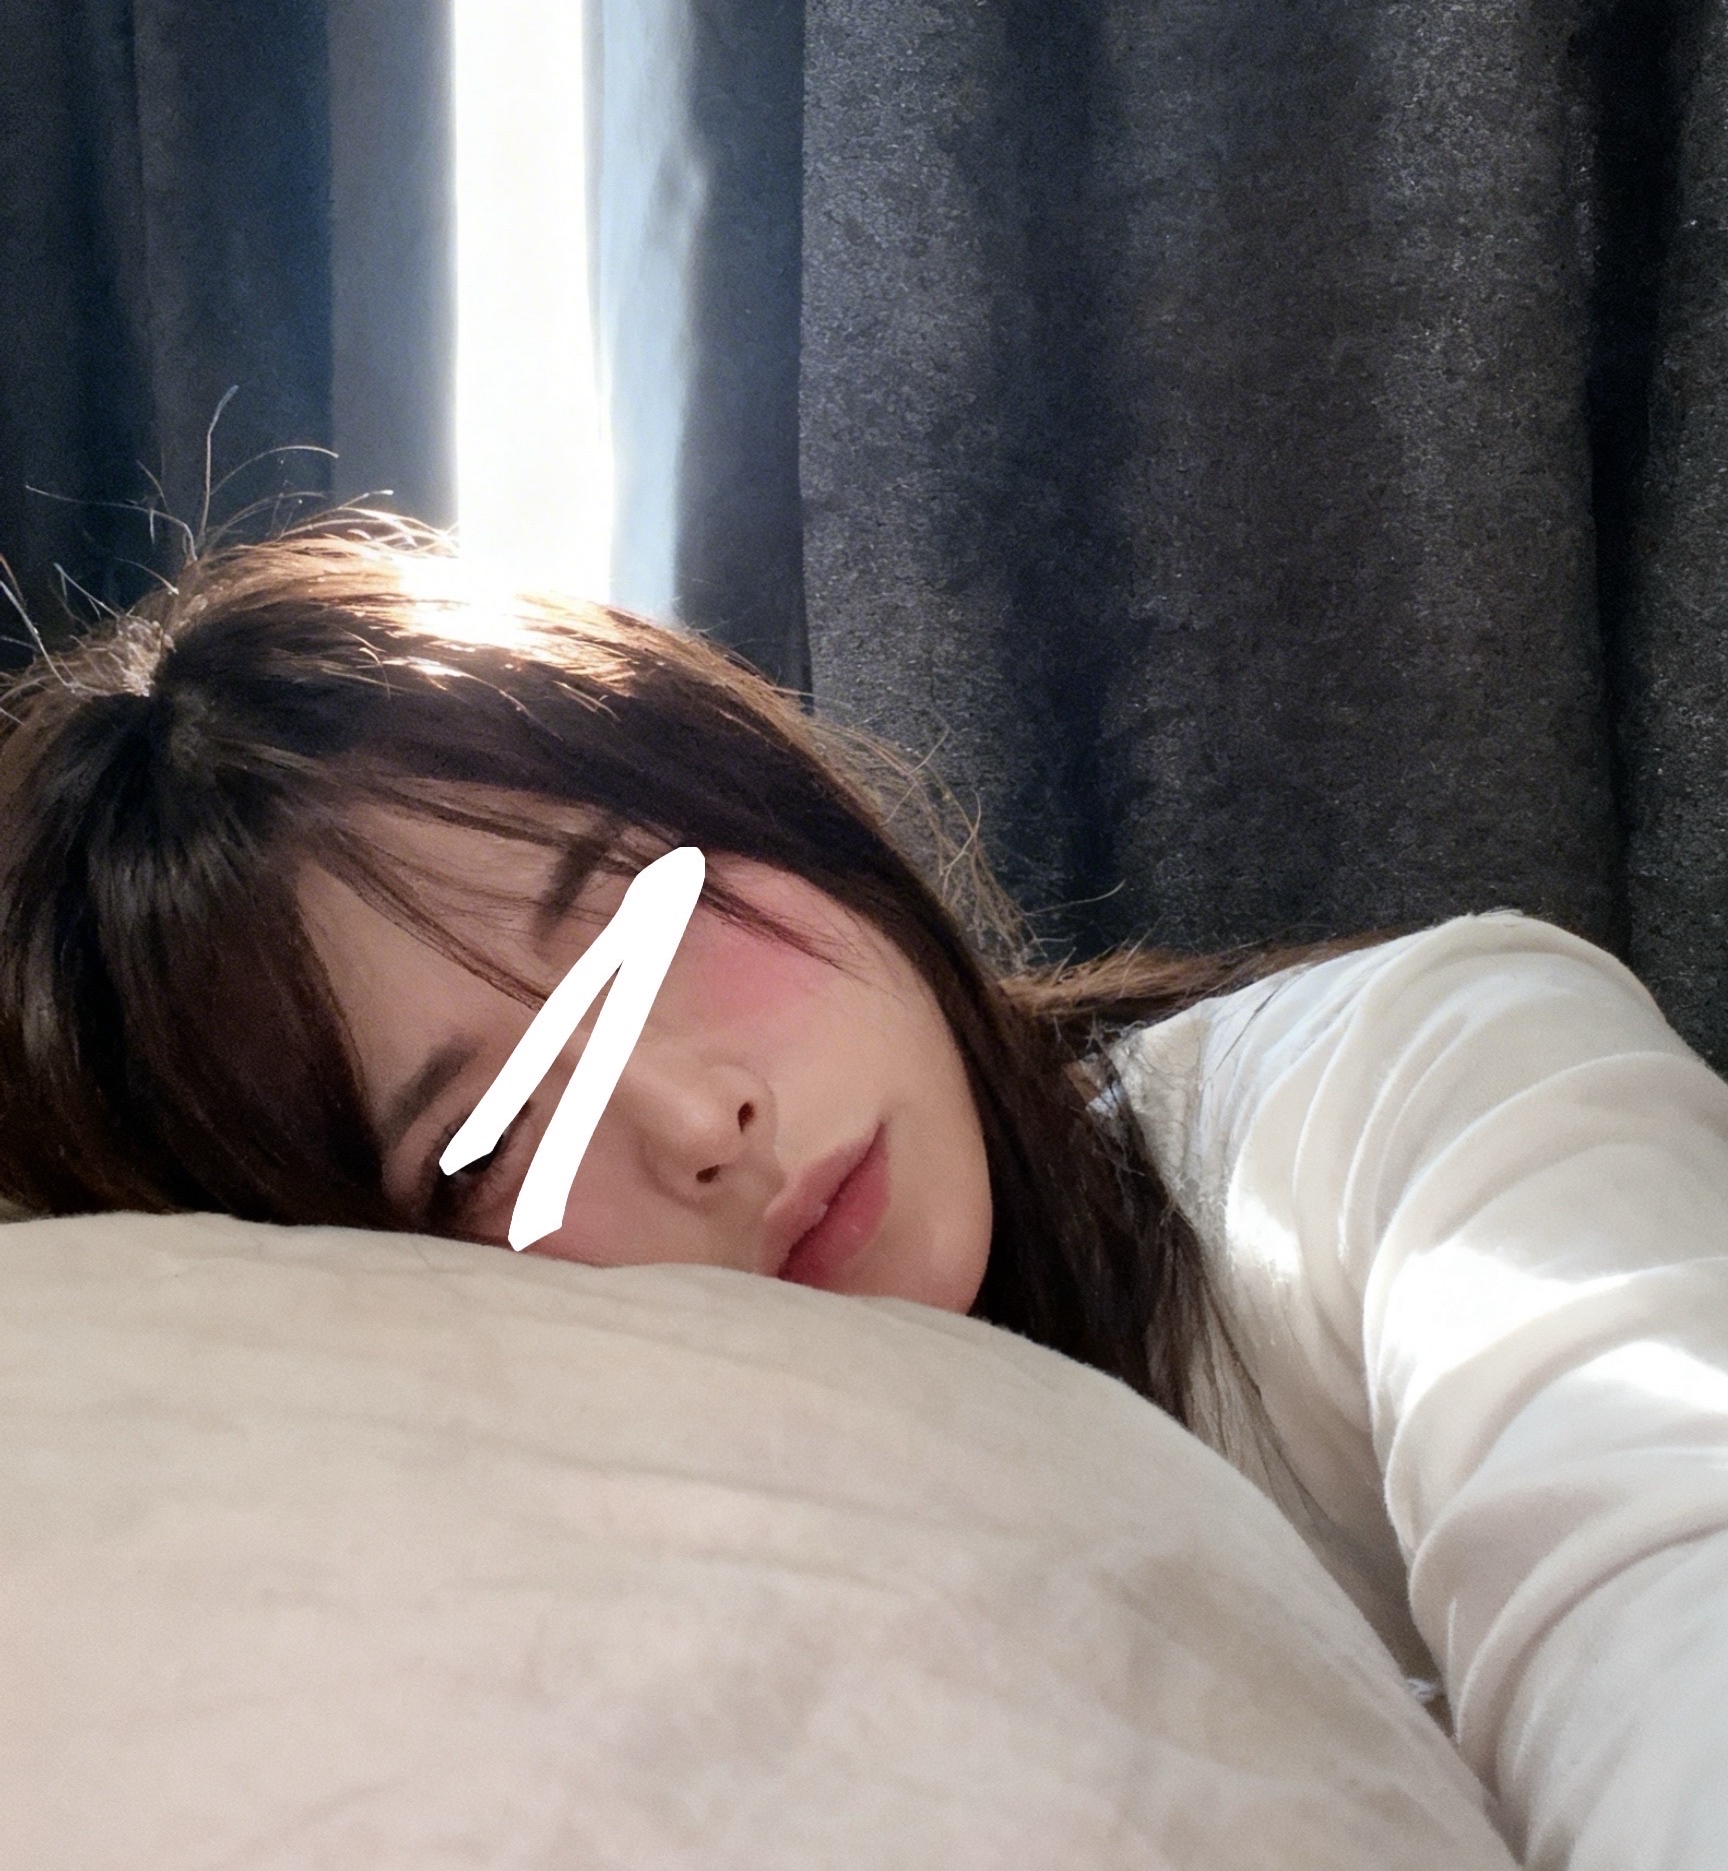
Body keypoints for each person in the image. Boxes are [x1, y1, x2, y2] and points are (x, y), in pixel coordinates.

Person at [1, 512, 1724, 1871]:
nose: (700, 1117)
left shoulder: (1406, 1090)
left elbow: (1663, 1562)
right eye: (495, 1144)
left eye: (654, 910)